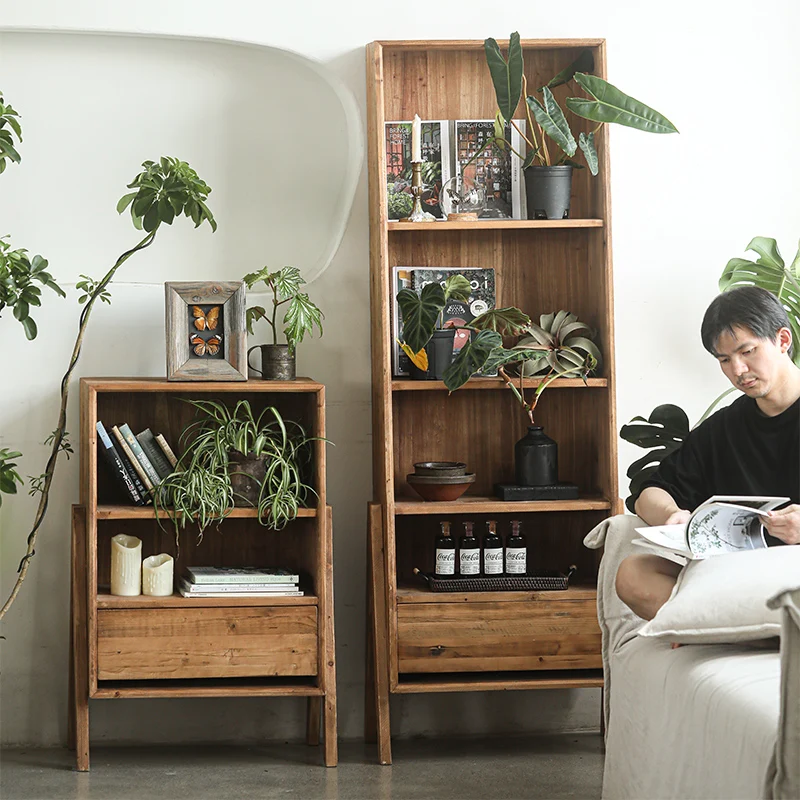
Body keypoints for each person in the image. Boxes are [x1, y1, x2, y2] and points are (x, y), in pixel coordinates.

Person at [615, 286, 800, 621]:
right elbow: (649, 492)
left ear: (782, 340)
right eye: (725, 360)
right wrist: (672, 516)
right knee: (634, 574)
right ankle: (753, 629)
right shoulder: (725, 427)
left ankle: (718, 627)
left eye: (748, 352)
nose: (738, 371)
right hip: (737, 580)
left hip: (794, 576)